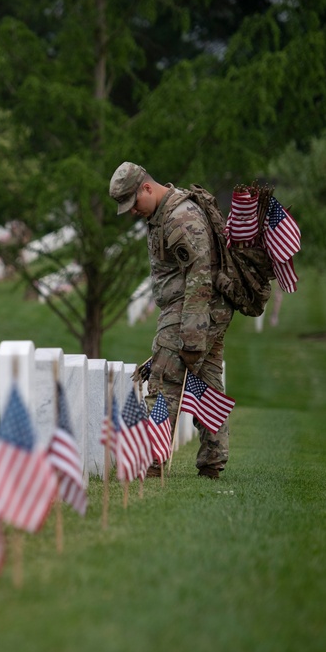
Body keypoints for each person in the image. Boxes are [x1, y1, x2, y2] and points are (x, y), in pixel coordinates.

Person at [108, 162, 232, 479]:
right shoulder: (163, 213)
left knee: (163, 377)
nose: (133, 211)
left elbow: (200, 276)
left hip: (190, 310)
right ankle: (212, 461)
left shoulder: (181, 217)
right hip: (199, 310)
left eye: (134, 202)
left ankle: (152, 461)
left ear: (147, 188)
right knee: (206, 382)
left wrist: (192, 335)